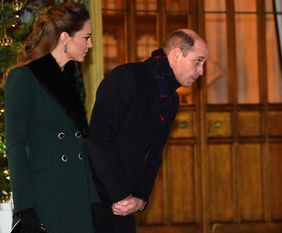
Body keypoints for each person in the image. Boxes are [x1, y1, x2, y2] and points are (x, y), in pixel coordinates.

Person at [88, 28, 208, 233]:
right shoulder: (126, 78)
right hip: (95, 200)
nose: (201, 71)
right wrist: (121, 195)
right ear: (177, 54)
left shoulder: (171, 99)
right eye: (198, 61)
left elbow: (154, 154)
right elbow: (100, 142)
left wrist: (140, 198)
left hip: (125, 204)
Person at [4, 2, 103, 233]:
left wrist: (92, 197)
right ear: (65, 38)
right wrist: (24, 206)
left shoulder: (71, 79)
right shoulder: (22, 78)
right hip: (46, 196)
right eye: (86, 37)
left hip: (75, 193)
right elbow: (15, 147)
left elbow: (79, 143)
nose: (91, 44)